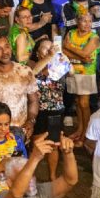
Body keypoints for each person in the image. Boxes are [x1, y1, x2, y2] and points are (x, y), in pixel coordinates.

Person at [0, 133, 78, 198]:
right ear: (9, 182)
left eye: (32, 175)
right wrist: (35, 157)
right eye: (24, 176)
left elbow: (70, 181)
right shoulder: (2, 197)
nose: (31, 180)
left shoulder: (42, 191)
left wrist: (68, 153)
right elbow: (16, 195)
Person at [28, 39, 68, 181]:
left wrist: (64, 58)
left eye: (51, 48)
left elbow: (73, 72)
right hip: (39, 112)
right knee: (37, 145)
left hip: (56, 111)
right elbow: (33, 73)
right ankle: (31, 177)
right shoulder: (32, 64)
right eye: (44, 49)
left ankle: (52, 177)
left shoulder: (58, 66)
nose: (49, 50)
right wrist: (49, 56)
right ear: (38, 53)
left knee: (53, 146)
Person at [63, 13, 100, 146]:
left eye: (90, 21)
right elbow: (63, 51)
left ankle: (87, 133)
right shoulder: (71, 33)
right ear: (77, 21)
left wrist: (69, 48)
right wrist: (81, 58)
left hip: (86, 74)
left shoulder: (94, 37)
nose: (87, 24)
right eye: (84, 21)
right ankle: (80, 129)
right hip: (72, 71)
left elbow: (86, 53)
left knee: (84, 104)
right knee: (77, 102)